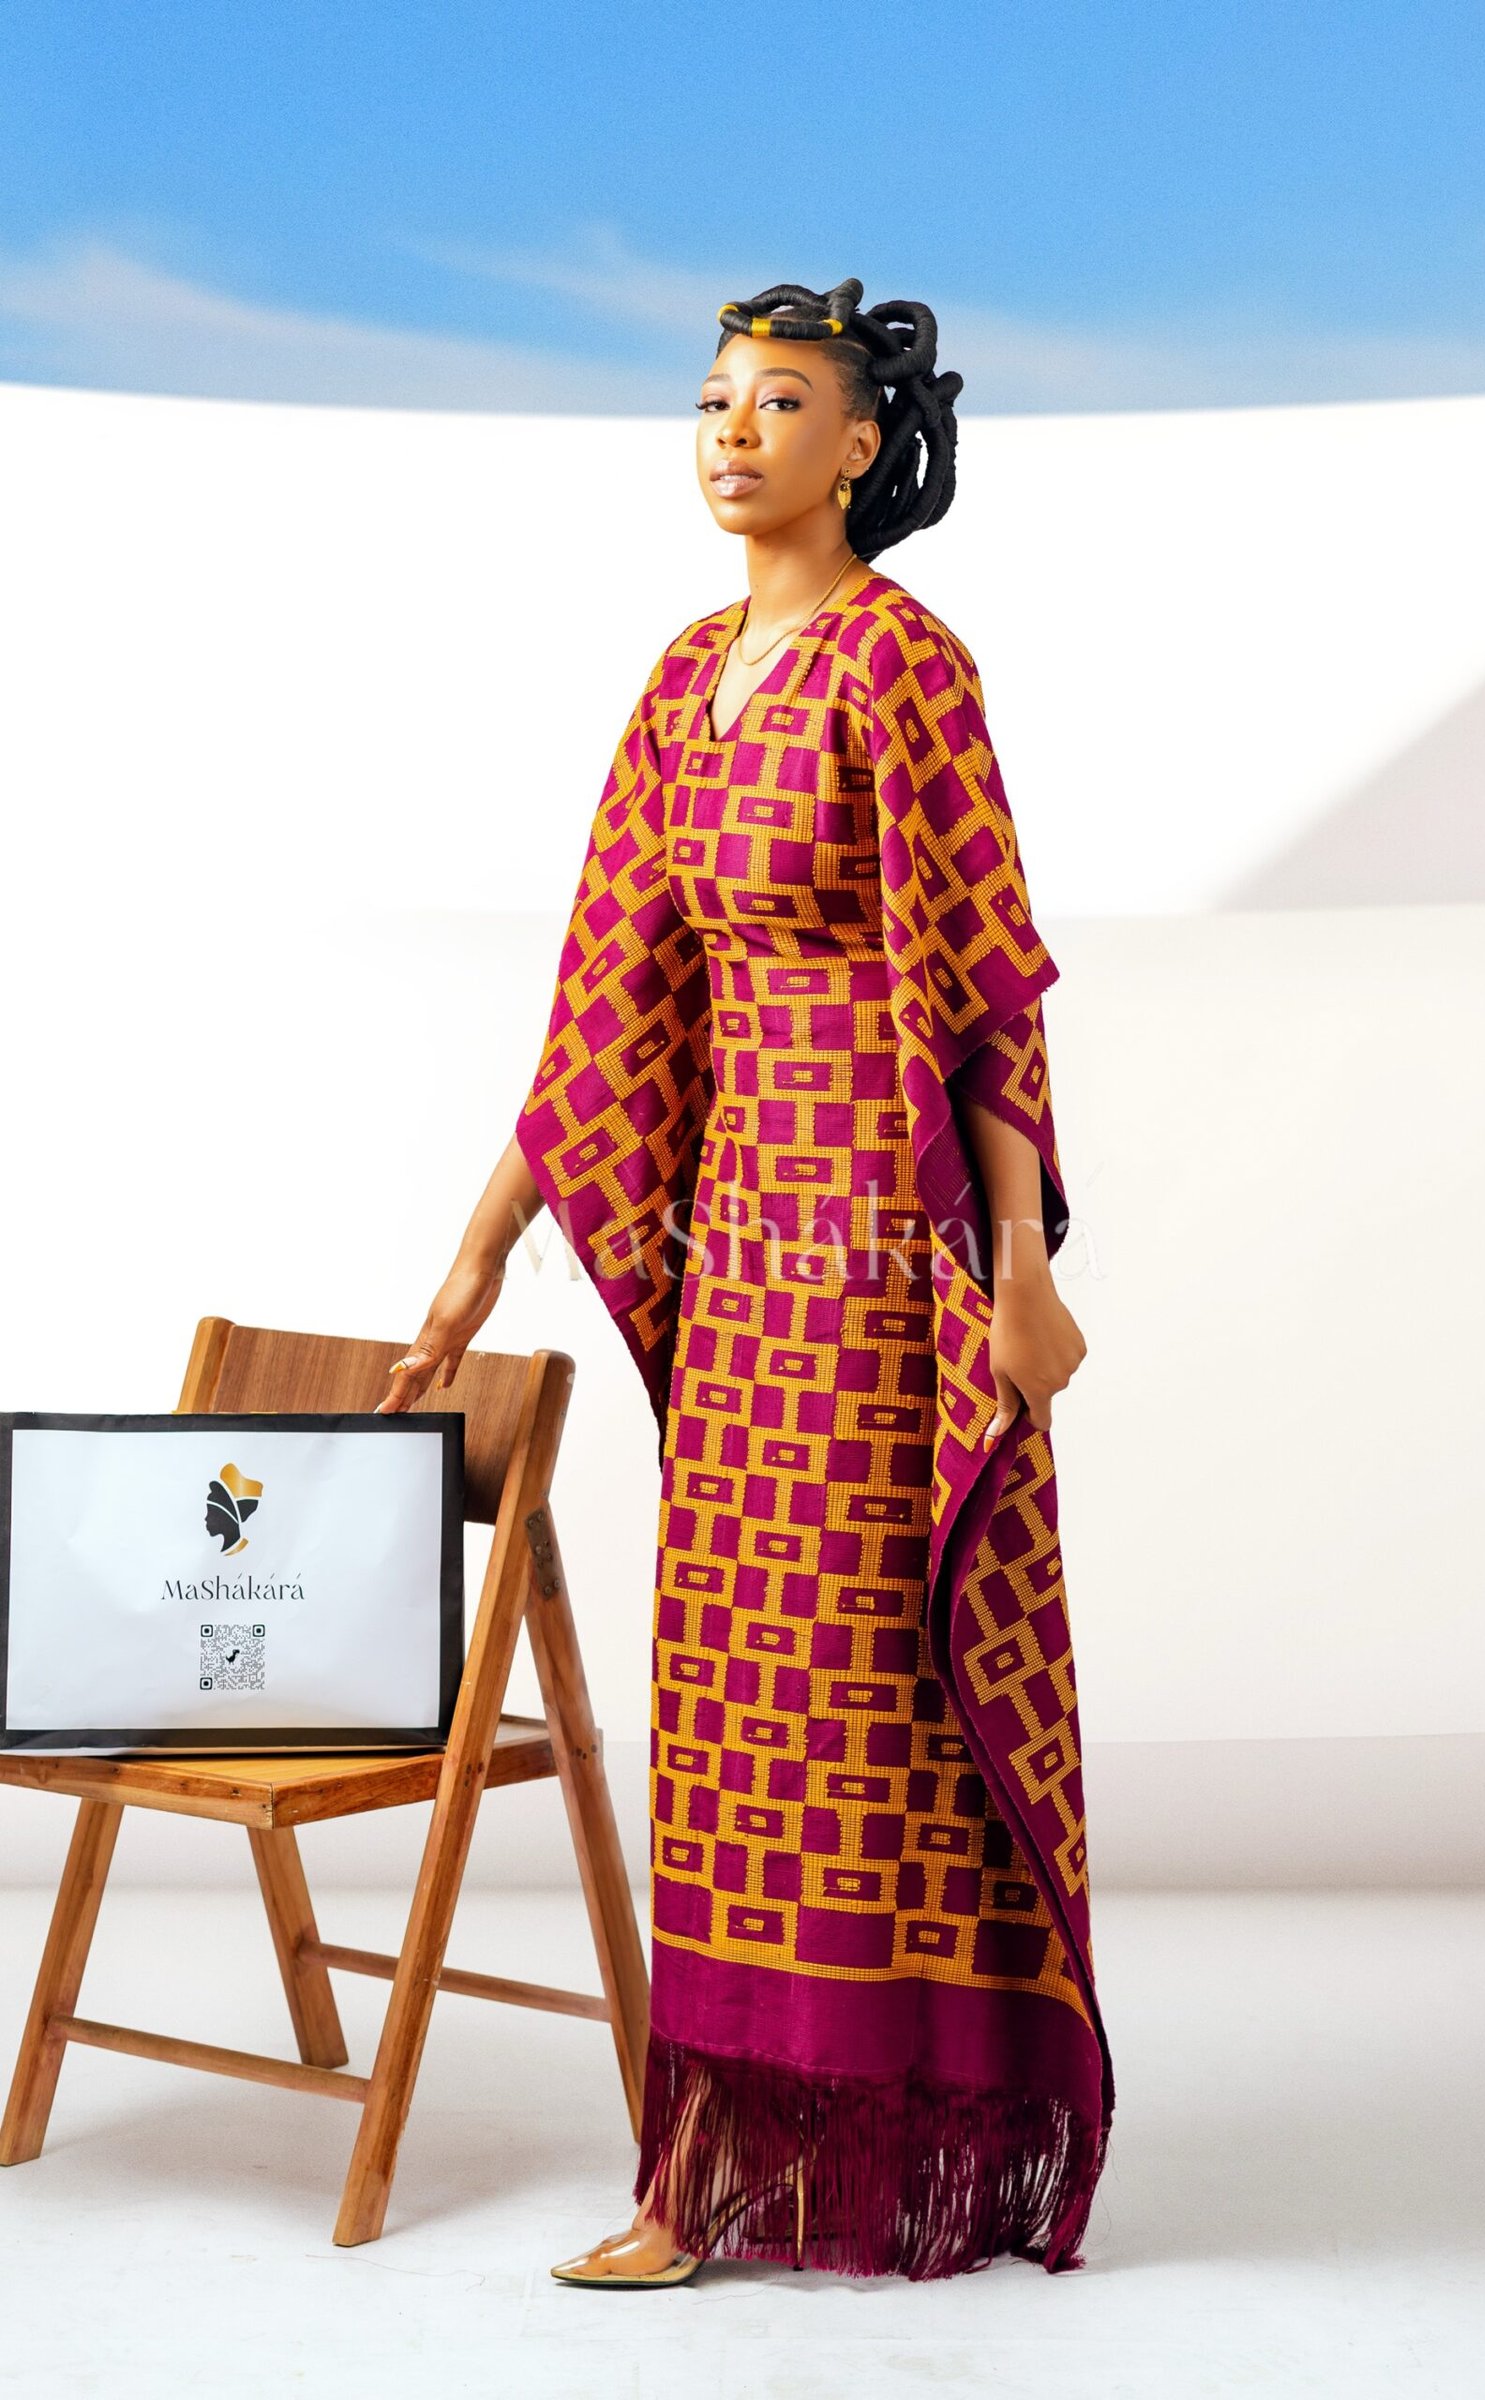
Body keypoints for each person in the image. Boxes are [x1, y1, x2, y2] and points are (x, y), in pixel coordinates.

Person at [380, 278, 1115, 2285]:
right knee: (725, 1706)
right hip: (741, 1262)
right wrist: (480, 1245)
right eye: (712, 400)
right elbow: (609, 995)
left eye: (777, 402)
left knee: (867, 1696)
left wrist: (1021, 1268)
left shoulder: (906, 664)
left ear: (859, 447)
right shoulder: (682, 675)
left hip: (880, 1245)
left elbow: (992, 987)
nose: (731, 432)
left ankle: (904, 2140)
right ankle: (703, 2175)